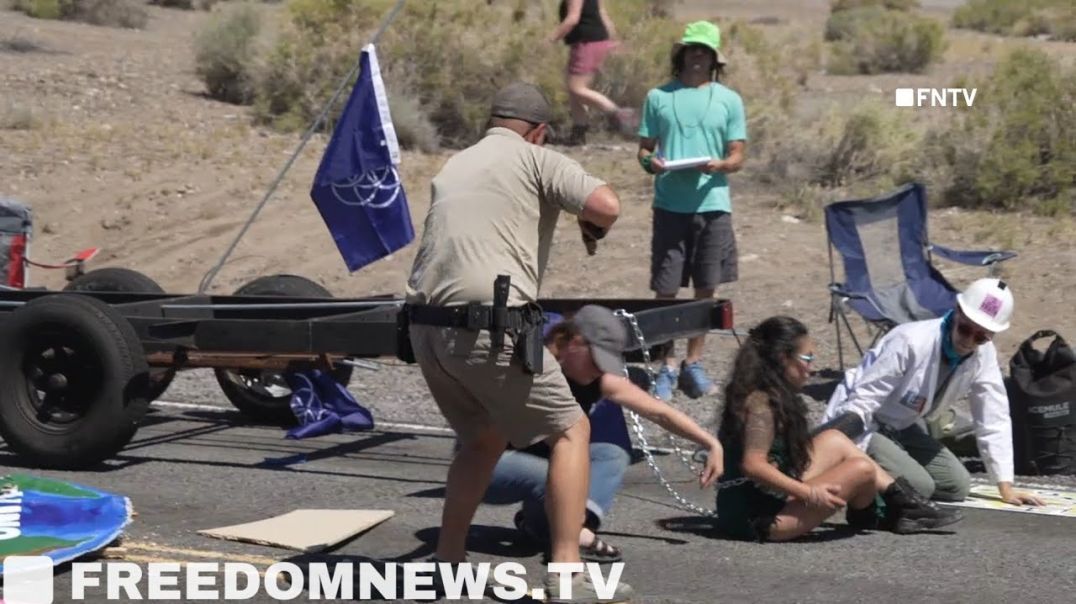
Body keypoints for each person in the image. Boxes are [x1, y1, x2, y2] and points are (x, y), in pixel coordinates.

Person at [404, 81, 633, 602]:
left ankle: (449, 561)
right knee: (572, 430)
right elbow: (606, 204)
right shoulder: (536, 159)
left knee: (482, 439)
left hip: (427, 329)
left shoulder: (455, 164)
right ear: (539, 132)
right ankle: (567, 572)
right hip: (489, 325)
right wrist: (588, 218)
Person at [483, 305, 724, 562]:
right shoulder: (531, 362)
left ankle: (554, 526)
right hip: (490, 463)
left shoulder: (598, 378)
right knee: (555, 475)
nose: (600, 370)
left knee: (611, 453)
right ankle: (573, 536)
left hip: (546, 463)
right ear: (573, 341)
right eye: (597, 360)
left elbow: (659, 413)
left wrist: (710, 442)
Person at [714, 316, 964, 542]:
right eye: (807, 358)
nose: (811, 368)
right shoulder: (761, 404)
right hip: (759, 517)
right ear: (783, 359)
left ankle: (904, 504)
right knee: (861, 469)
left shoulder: (772, 394)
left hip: (768, 495)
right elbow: (753, 465)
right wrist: (808, 493)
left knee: (835, 438)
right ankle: (881, 513)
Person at [822, 278, 1046, 507]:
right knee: (920, 486)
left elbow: (993, 416)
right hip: (868, 423)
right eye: (965, 329)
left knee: (956, 486)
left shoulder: (984, 354)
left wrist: (1005, 486)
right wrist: (843, 451)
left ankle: (891, 473)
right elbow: (862, 403)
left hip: (902, 425)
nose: (969, 341)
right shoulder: (910, 341)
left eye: (981, 336)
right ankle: (866, 494)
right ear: (957, 311)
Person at [635, 21, 747, 402]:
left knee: (705, 289)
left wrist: (720, 165)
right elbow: (645, 149)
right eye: (692, 48)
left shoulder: (729, 99)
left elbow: (738, 155)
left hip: (713, 205)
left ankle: (693, 363)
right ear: (681, 53)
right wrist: (652, 164)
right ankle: (665, 363)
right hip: (670, 205)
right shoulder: (658, 97)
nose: (698, 55)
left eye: (705, 50)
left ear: (715, 59)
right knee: (666, 289)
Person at [547, 0, 636, 145]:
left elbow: (572, 19)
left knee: (577, 88)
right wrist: (612, 39)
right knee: (574, 90)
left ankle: (622, 115)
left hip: (586, 43)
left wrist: (550, 40)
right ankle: (578, 132)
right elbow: (602, 14)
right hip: (596, 41)